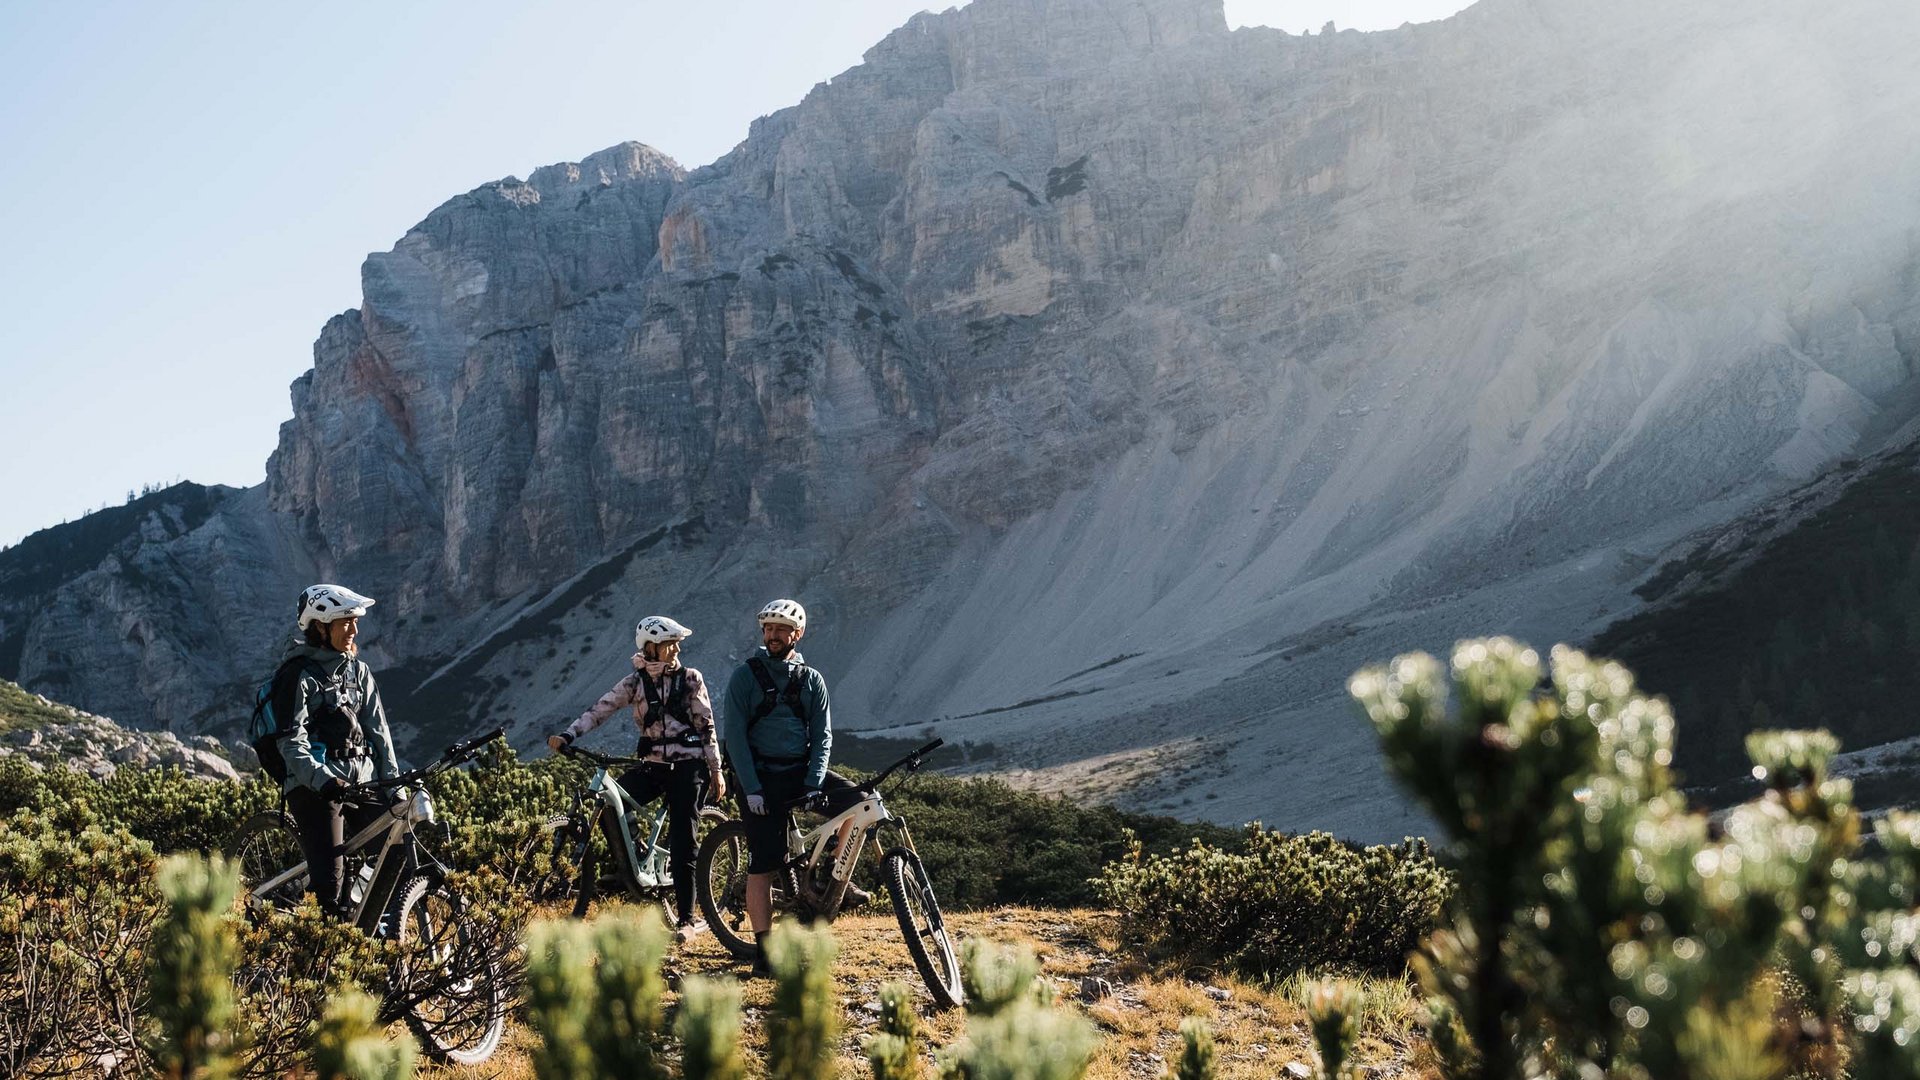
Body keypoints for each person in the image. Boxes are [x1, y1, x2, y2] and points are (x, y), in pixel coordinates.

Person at [548, 615, 726, 941]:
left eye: (676, 643)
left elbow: (706, 725)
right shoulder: (635, 682)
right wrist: (569, 734)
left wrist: (715, 769)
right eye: (668, 643)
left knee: (685, 843)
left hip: (689, 769)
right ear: (650, 648)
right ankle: (631, 862)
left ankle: (686, 919)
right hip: (653, 767)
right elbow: (601, 709)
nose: (675, 649)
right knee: (610, 801)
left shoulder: (690, 679)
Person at [720, 598, 866, 974]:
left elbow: (823, 737)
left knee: (861, 804)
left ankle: (832, 877)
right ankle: (765, 953)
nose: (772, 635)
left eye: (781, 629)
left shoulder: (811, 680)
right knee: (762, 867)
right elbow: (734, 737)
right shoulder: (744, 677)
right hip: (760, 779)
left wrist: (815, 782)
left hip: (799, 773)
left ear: (796, 635)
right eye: (768, 629)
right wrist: (750, 788)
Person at [272, 583, 402, 919]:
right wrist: (323, 780)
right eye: (346, 623)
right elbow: (290, 742)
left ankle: (372, 928)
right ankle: (312, 952)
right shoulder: (297, 675)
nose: (354, 630)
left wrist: (394, 788)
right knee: (329, 890)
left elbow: (380, 735)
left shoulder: (359, 672)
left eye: (356, 622)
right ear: (320, 626)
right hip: (315, 788)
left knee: (395, 853)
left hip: (360, 783)